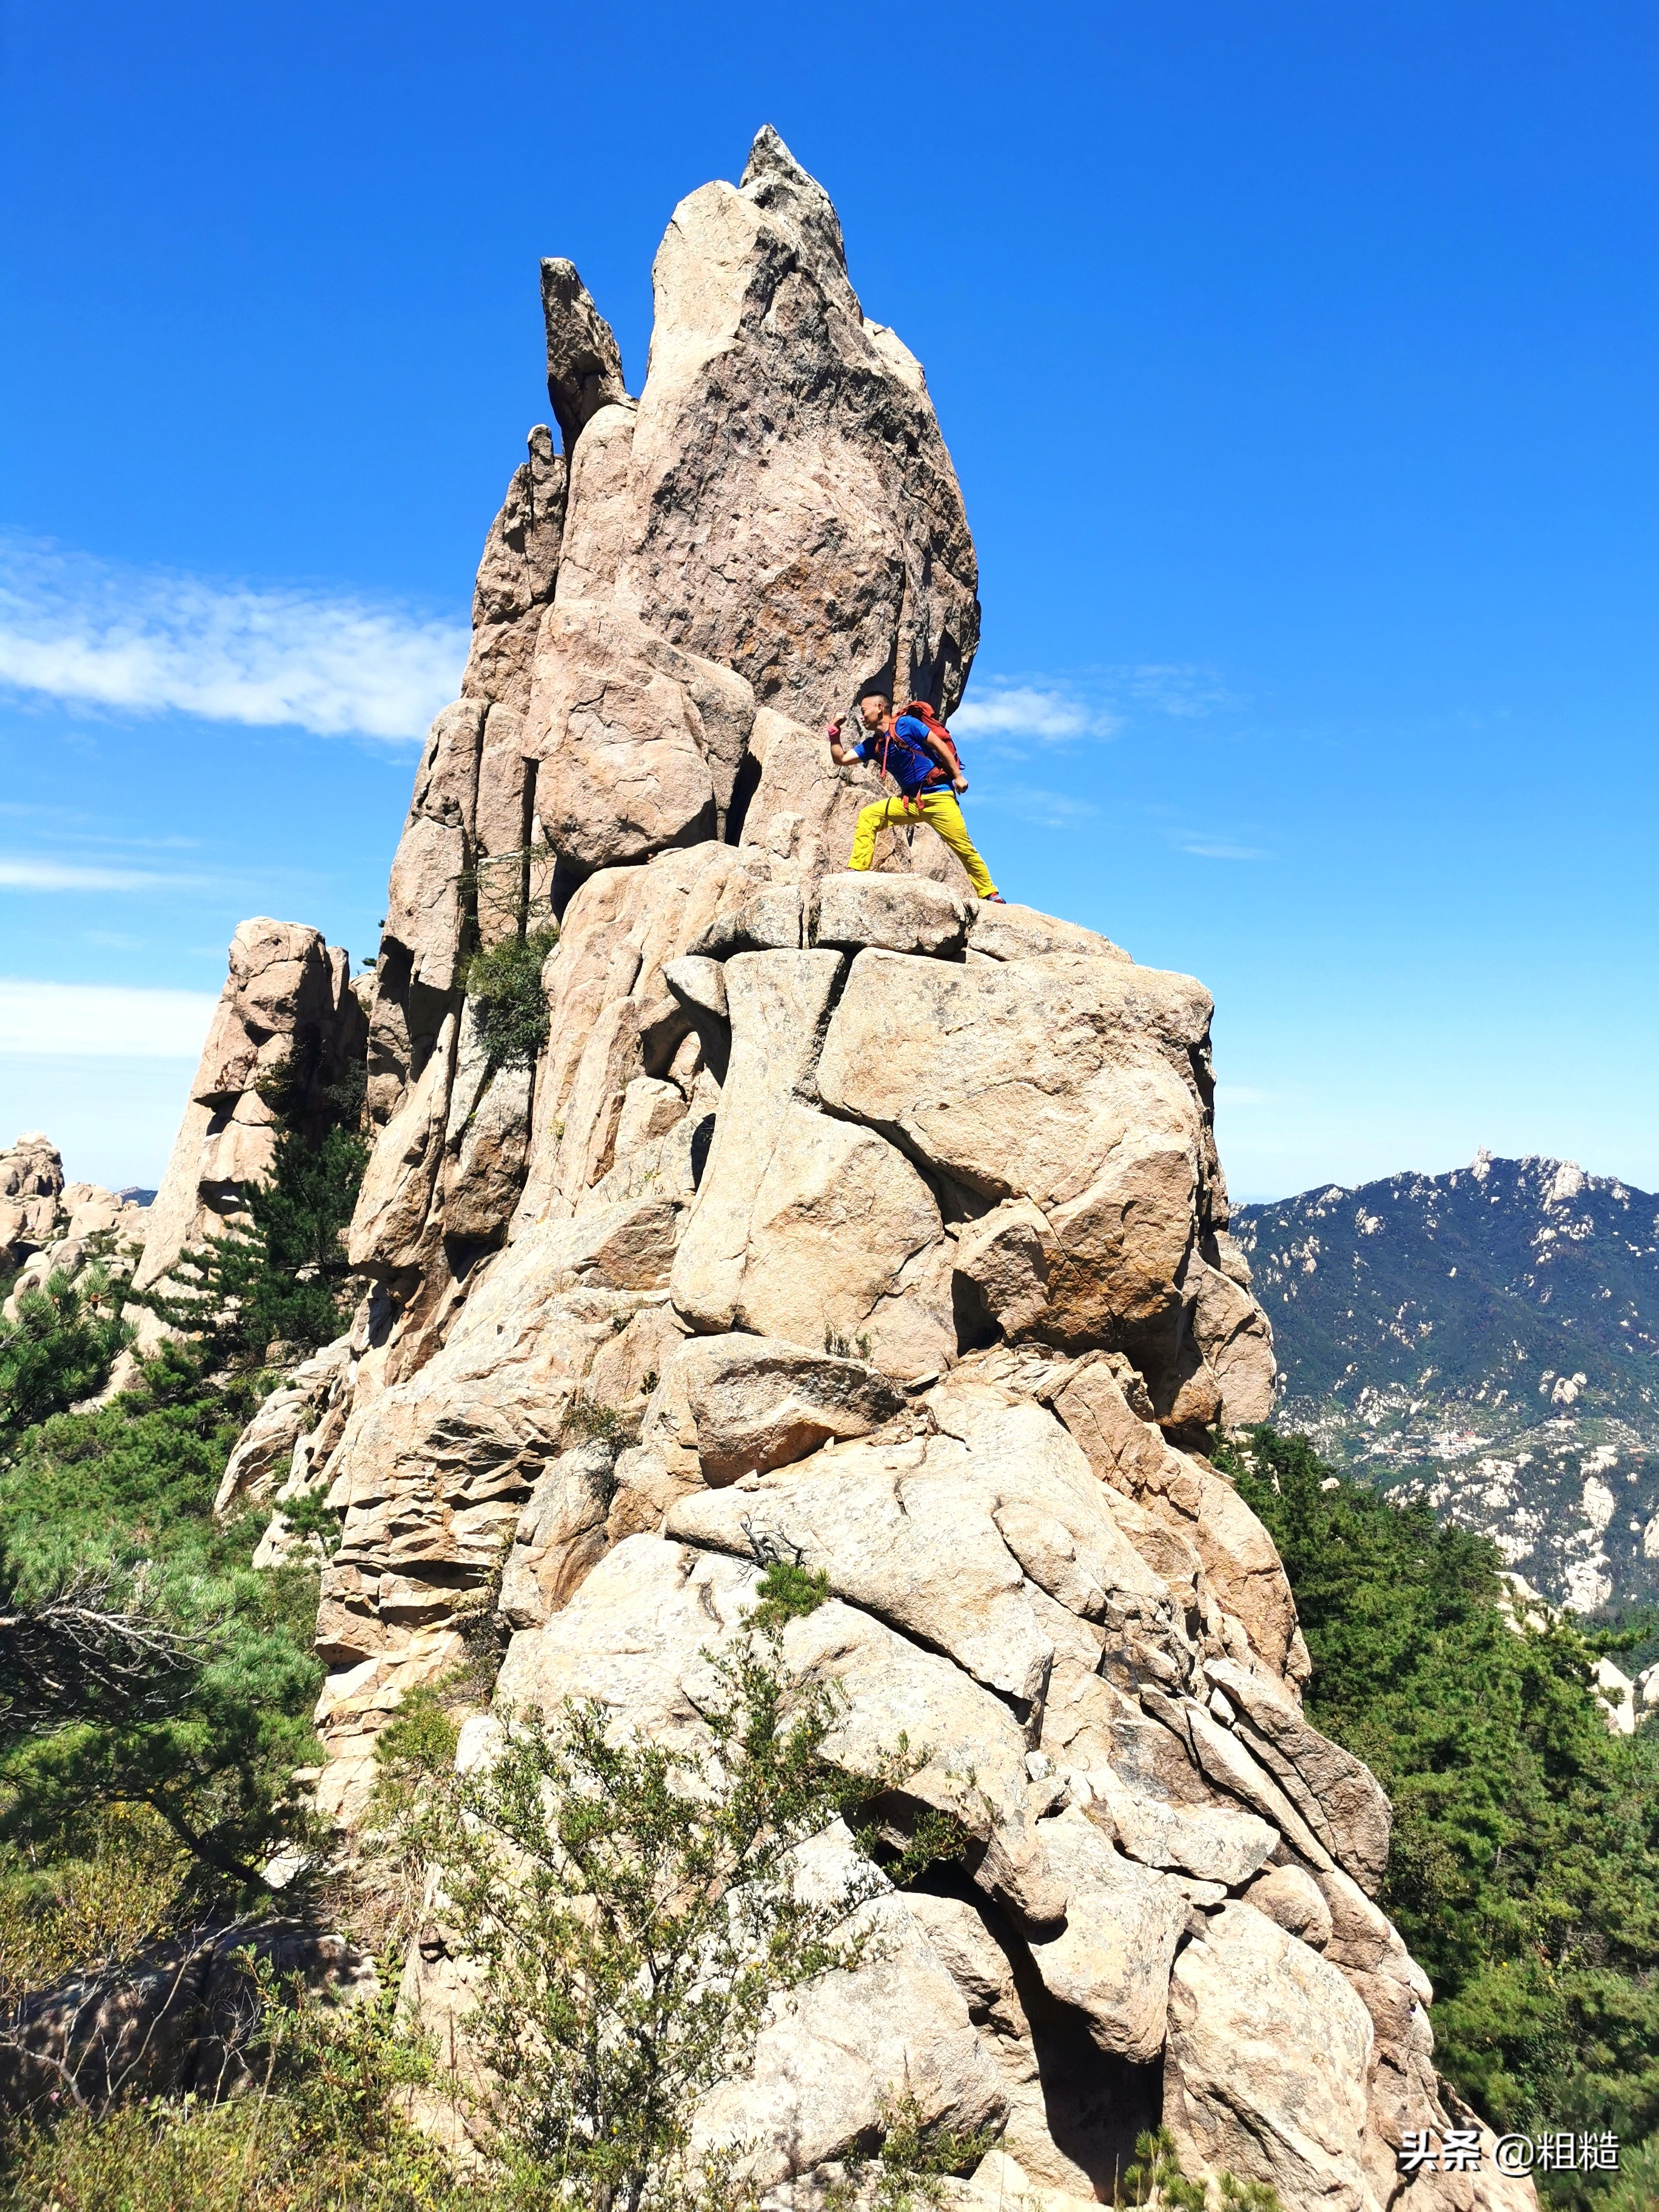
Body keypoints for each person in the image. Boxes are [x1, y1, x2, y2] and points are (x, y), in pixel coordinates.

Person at [827, 693, 1004, 901]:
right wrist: (834, 733)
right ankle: (857, 869)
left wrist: (958, 776)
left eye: (864, 710)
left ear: (879, 708)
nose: (862, 716)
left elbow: (939, 745)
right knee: (869, 816)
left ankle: (989, 893)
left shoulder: (906, 724)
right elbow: (841, 759)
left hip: (938, 796)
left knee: (962, 846)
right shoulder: (873, 745)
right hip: (910, 802)